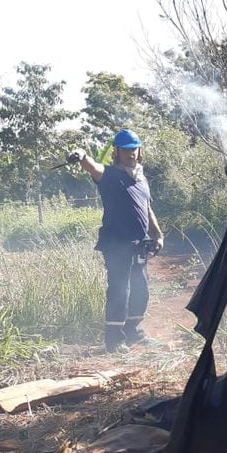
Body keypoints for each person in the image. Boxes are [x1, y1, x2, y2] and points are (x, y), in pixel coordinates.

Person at [70, 130, 164, 353]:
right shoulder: (110, 175)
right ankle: (114, 341)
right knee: (120, 290)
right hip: (116, 245)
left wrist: (158, 235)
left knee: (141, 290)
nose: (130, 154)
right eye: (125, 150)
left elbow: (147, 209)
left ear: (139, 151)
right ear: (117, 152)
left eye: (134, 149)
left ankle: (134, 333)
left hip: (139, 244)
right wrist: (82, 155)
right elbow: (93, 167)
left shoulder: (141, 178)